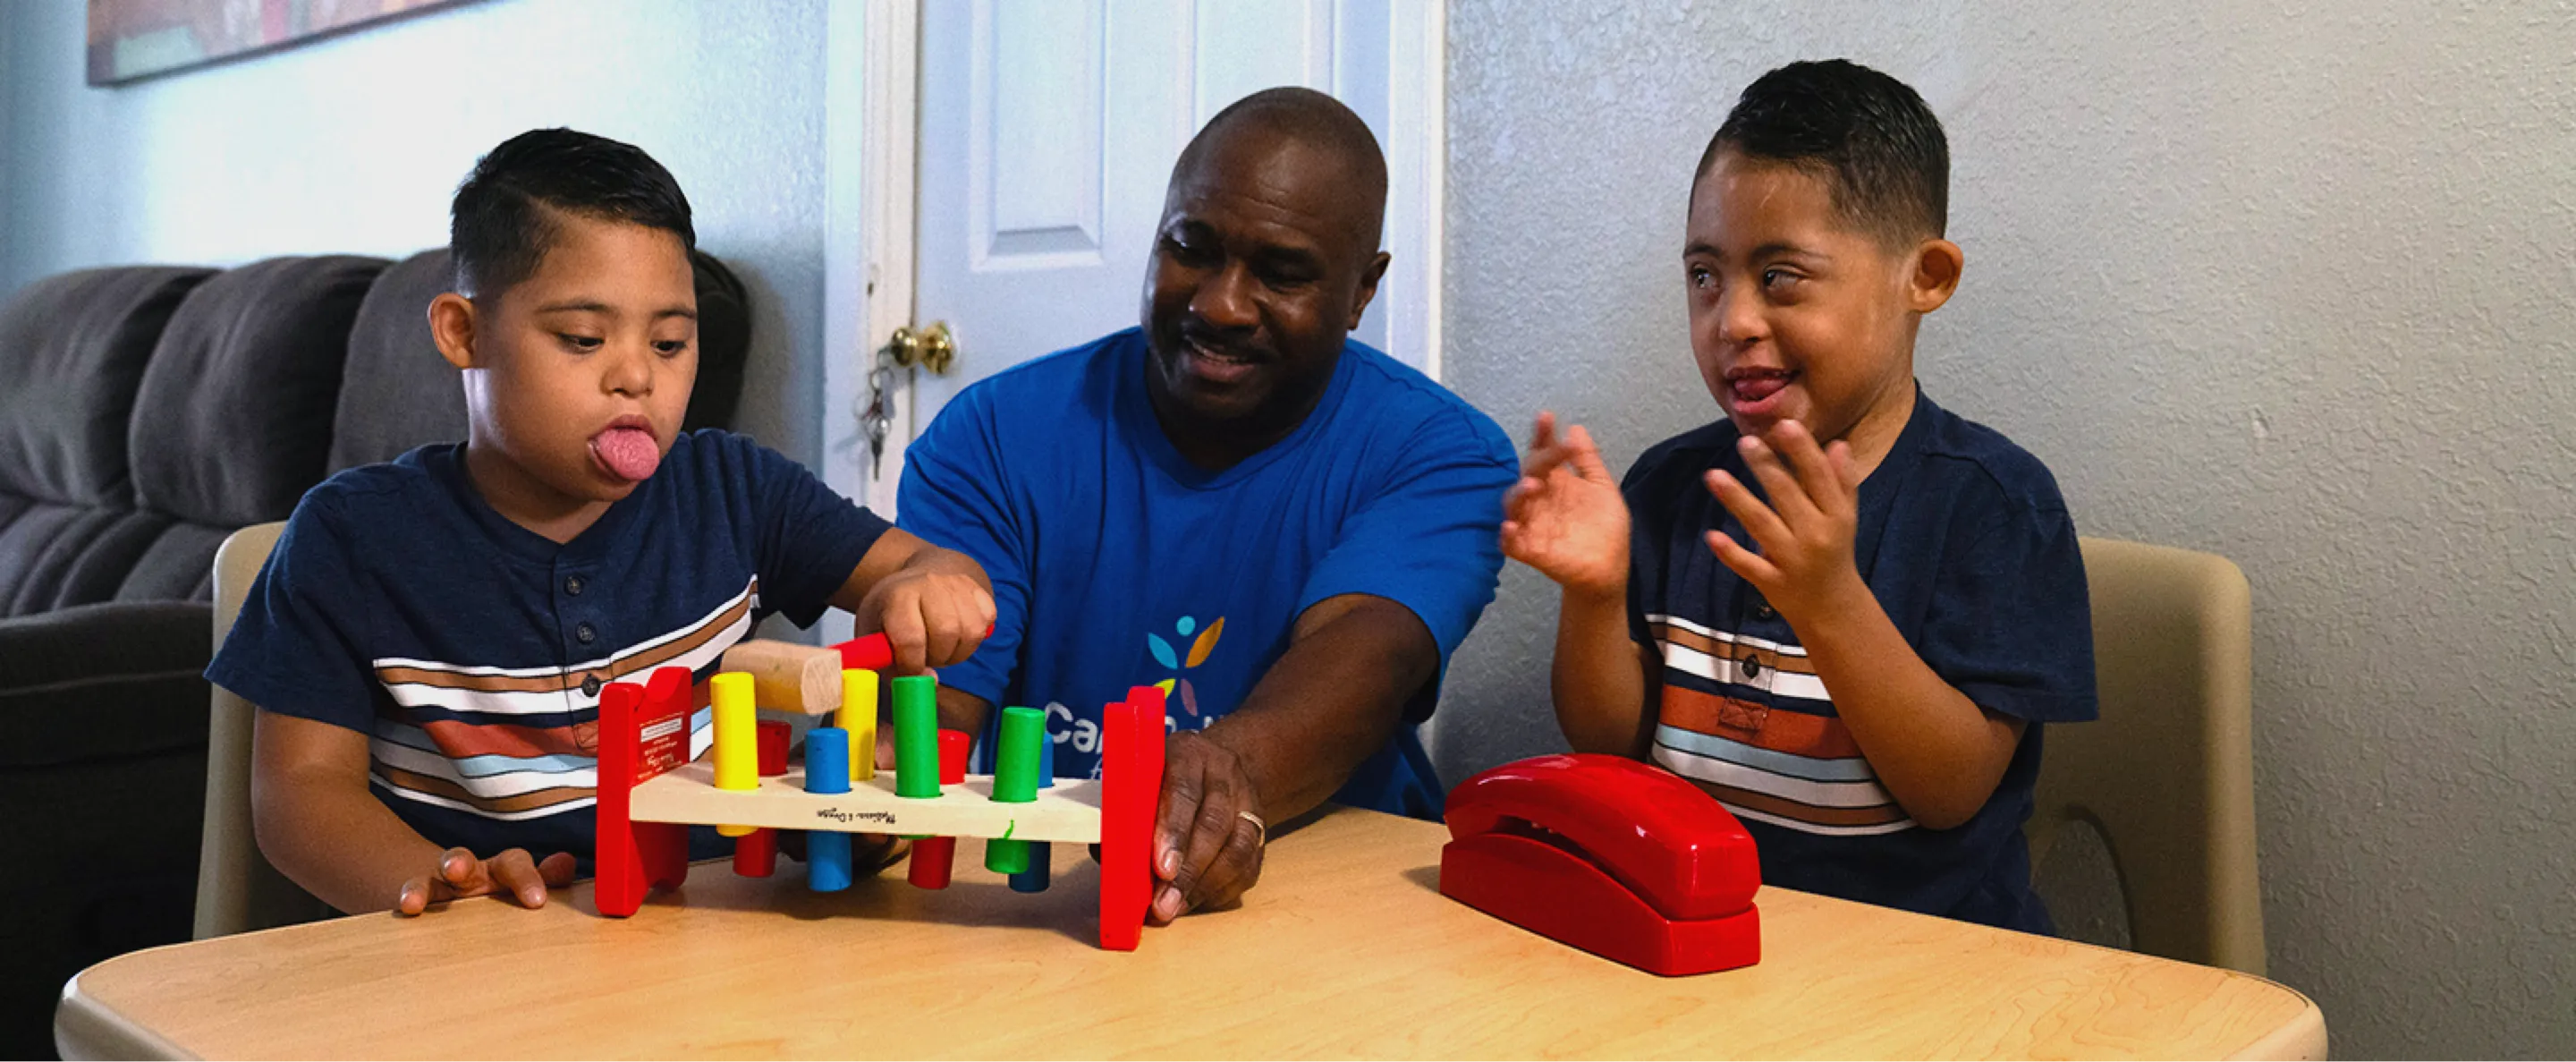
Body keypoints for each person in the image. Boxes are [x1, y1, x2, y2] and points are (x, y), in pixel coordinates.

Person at [208, 129, 995, 917]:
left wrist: (930, 587)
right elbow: (300, 797)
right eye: (583, 339)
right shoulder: (354, 537)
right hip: (484, 954)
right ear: (464, 332)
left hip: (708, 935)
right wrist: (446, 880)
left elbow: (926, 567)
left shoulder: (735, 488)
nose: (636, 376)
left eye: (670, 342)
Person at [1501, 60, 2097, 932]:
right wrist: (1592, 597)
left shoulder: (1995, 508)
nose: (1732, 319)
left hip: (1929, 961)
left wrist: (1830, 600)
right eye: (1705, 275)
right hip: (1706, 938)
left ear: (1923, 277)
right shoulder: (1672, 487)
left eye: (1779, 276)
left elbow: (1951, 790)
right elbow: (1615, 748)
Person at [898, 89, 1517, 926]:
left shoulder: (1442, 452)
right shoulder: (995, 434)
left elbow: (1367, 655)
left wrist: (1222, 773)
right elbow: (940, 702)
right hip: (1051, 912)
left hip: (1341, 907)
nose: (1221, 303)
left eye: (1282, 272)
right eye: (1192, 247)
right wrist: (873, 784)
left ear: (1363, 289)